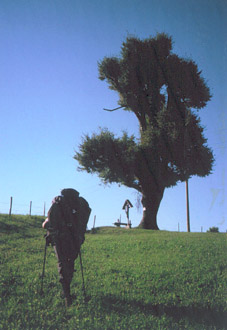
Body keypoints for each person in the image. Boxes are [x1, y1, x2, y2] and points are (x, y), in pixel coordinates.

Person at [42, 188, 90, 307]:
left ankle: (67, 294)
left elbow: (47, 224)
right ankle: (67, 291)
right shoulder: (81, 204)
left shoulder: (57, 203)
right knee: (70, 262)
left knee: (62, 263)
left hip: (59, 238)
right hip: (75, 238)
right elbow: (83, 223)